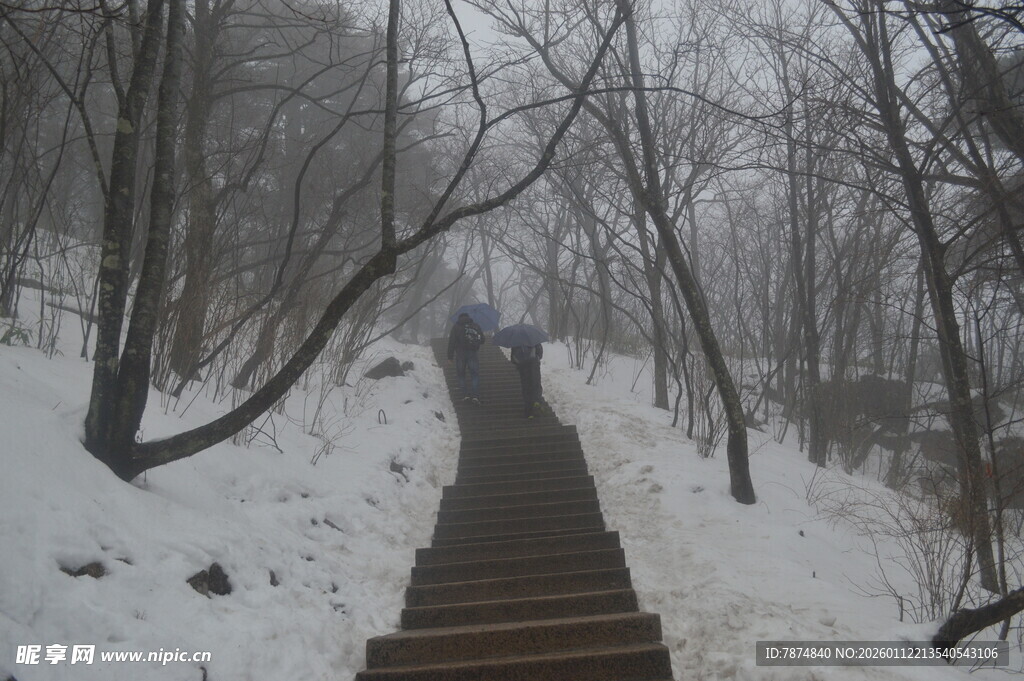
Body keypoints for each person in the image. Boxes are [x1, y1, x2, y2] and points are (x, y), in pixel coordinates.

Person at [447, 312, 484, 403]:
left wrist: (450, 357)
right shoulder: (475, 325)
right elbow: (482, 340)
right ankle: (475, 396)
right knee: (474, 375)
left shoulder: (456, 327)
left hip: (460, 354)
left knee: (461, 375)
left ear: (459, 318)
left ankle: (465, 395)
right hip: (472, 353)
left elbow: (451, 342)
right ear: (468, 317)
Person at [510, 343, 544, 418]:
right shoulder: (534, 340)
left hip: (523, 367)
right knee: (536, 384)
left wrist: (519, 363)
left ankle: (529, 411)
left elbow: (513, 358)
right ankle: (537, 401)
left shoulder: (516, 342)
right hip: (534, 365)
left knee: (526, 388)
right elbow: (540, 354)